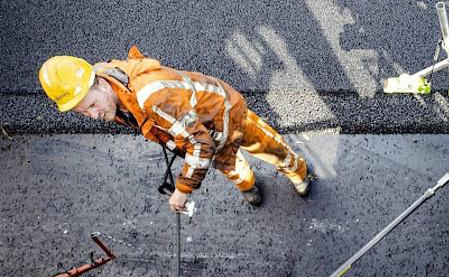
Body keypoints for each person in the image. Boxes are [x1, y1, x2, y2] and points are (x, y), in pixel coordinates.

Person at [39, 47, 311, 212]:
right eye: (84, 112)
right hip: (198, 128)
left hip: (227, 112)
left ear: (100, 83)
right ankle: (248, 185)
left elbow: (201, 144)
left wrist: (182, 189)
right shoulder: (111, 87)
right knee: (227, 165)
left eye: (92, 105)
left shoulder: (150, 97)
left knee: (268, 146)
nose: (94, 115)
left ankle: (298, 172)